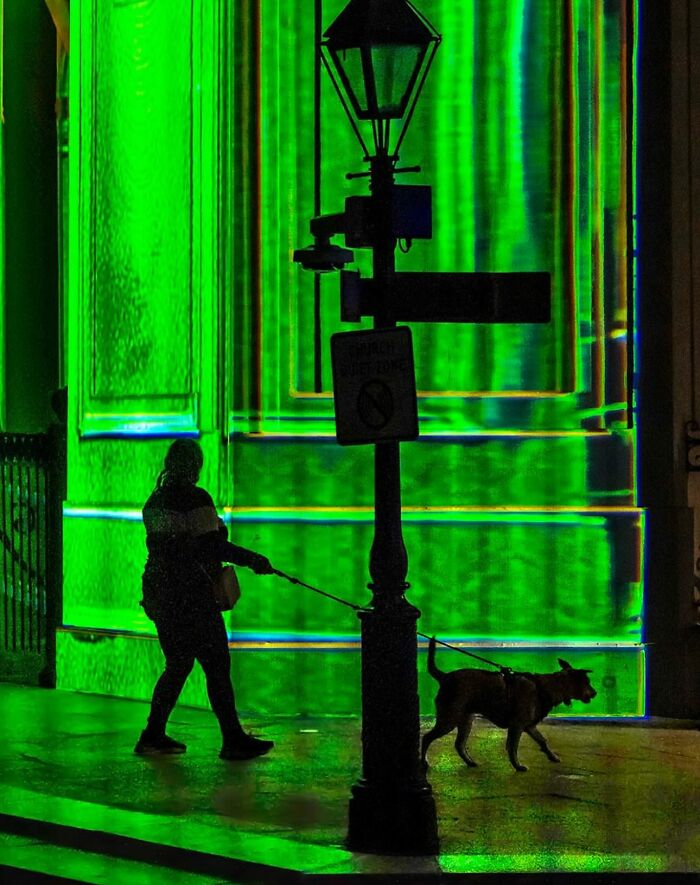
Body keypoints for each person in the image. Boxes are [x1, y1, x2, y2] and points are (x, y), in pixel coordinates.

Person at [134, 439, 275, 760]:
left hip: (161, 595)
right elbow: (210, 546)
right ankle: (232, 738)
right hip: (194, 596)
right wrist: (253, 559)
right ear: (195, 465)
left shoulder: (154, 501)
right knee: (216, 666)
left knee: (178, 664)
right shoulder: (195, 499)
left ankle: (152, 734)